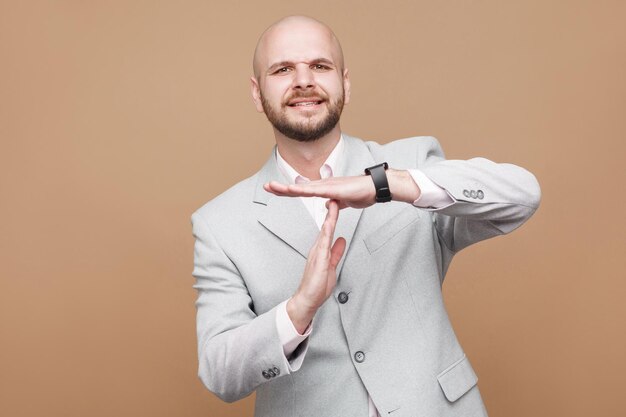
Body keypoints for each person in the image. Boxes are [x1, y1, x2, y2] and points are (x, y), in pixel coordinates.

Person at [190, 15, 540, 417]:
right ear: (257, 93)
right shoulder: (219, 224)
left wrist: (386, 185)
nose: (303, 80)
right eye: (283, 69)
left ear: (346, 83)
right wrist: (298, 309)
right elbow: (219, 371)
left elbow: (523, 195)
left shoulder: (410, 164)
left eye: (319, 66)